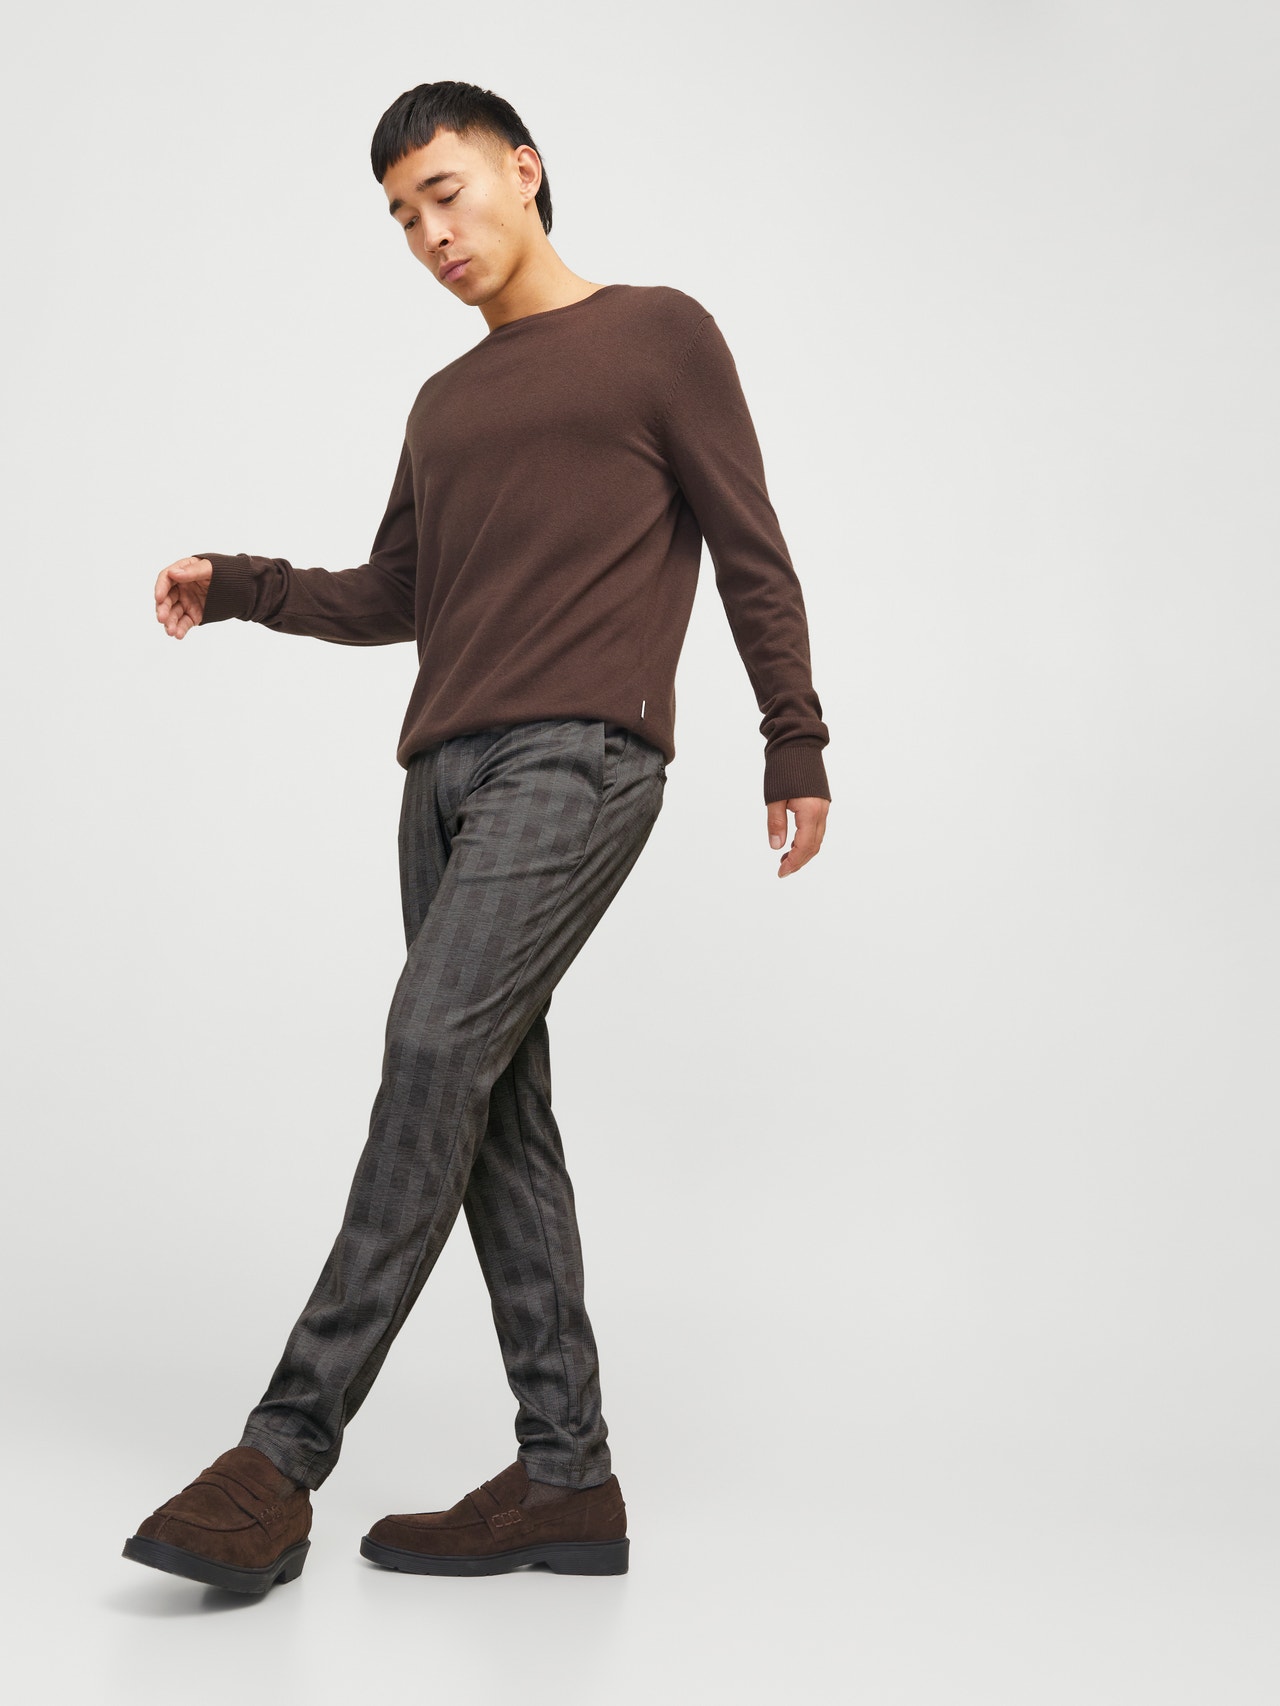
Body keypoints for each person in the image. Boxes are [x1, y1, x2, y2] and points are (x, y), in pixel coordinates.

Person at [125, 79, 831, 1594]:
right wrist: (242, 584)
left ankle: (280, 1455)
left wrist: (795, 734)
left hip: (578, 758)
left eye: (443, 192)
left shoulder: (658, 334)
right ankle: (567, 1476)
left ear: (524, 167)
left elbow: (749, 545)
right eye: (400, 218)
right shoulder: (444, 404)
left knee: (431, 1048)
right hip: (439, 777)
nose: (429, 233)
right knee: (494, 1108)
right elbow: (400, 593)